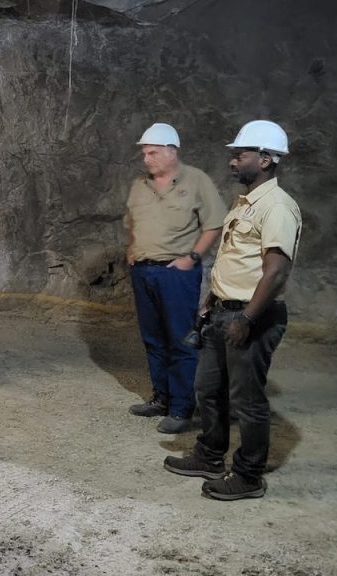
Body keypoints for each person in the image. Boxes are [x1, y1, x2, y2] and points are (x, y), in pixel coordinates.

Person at [164, 120, 301, 501]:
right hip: (225, 312)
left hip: (251, 317)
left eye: (240, 154)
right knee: (208, 389)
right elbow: (235, 260)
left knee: (247, 400)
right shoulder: (246, 203)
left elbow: (275, 272)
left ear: (267, 159)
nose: (233, 161)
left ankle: (249, 476)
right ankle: (209, 456)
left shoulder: (277, 207)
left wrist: (246, 318)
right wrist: (212, 300)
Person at [125, 123, 227, 434]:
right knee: (153, 338)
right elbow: (130, 221)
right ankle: (161, 398)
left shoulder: (196, 181)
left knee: (180, 339)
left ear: (172, 151)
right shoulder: (139, 186)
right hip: (143, 271)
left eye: (153, 152)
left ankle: (182, 407)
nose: (147, 158)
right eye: (144, 152)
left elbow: (214, 223)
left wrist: (192, 257)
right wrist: (131, 251)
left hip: (175, 274)